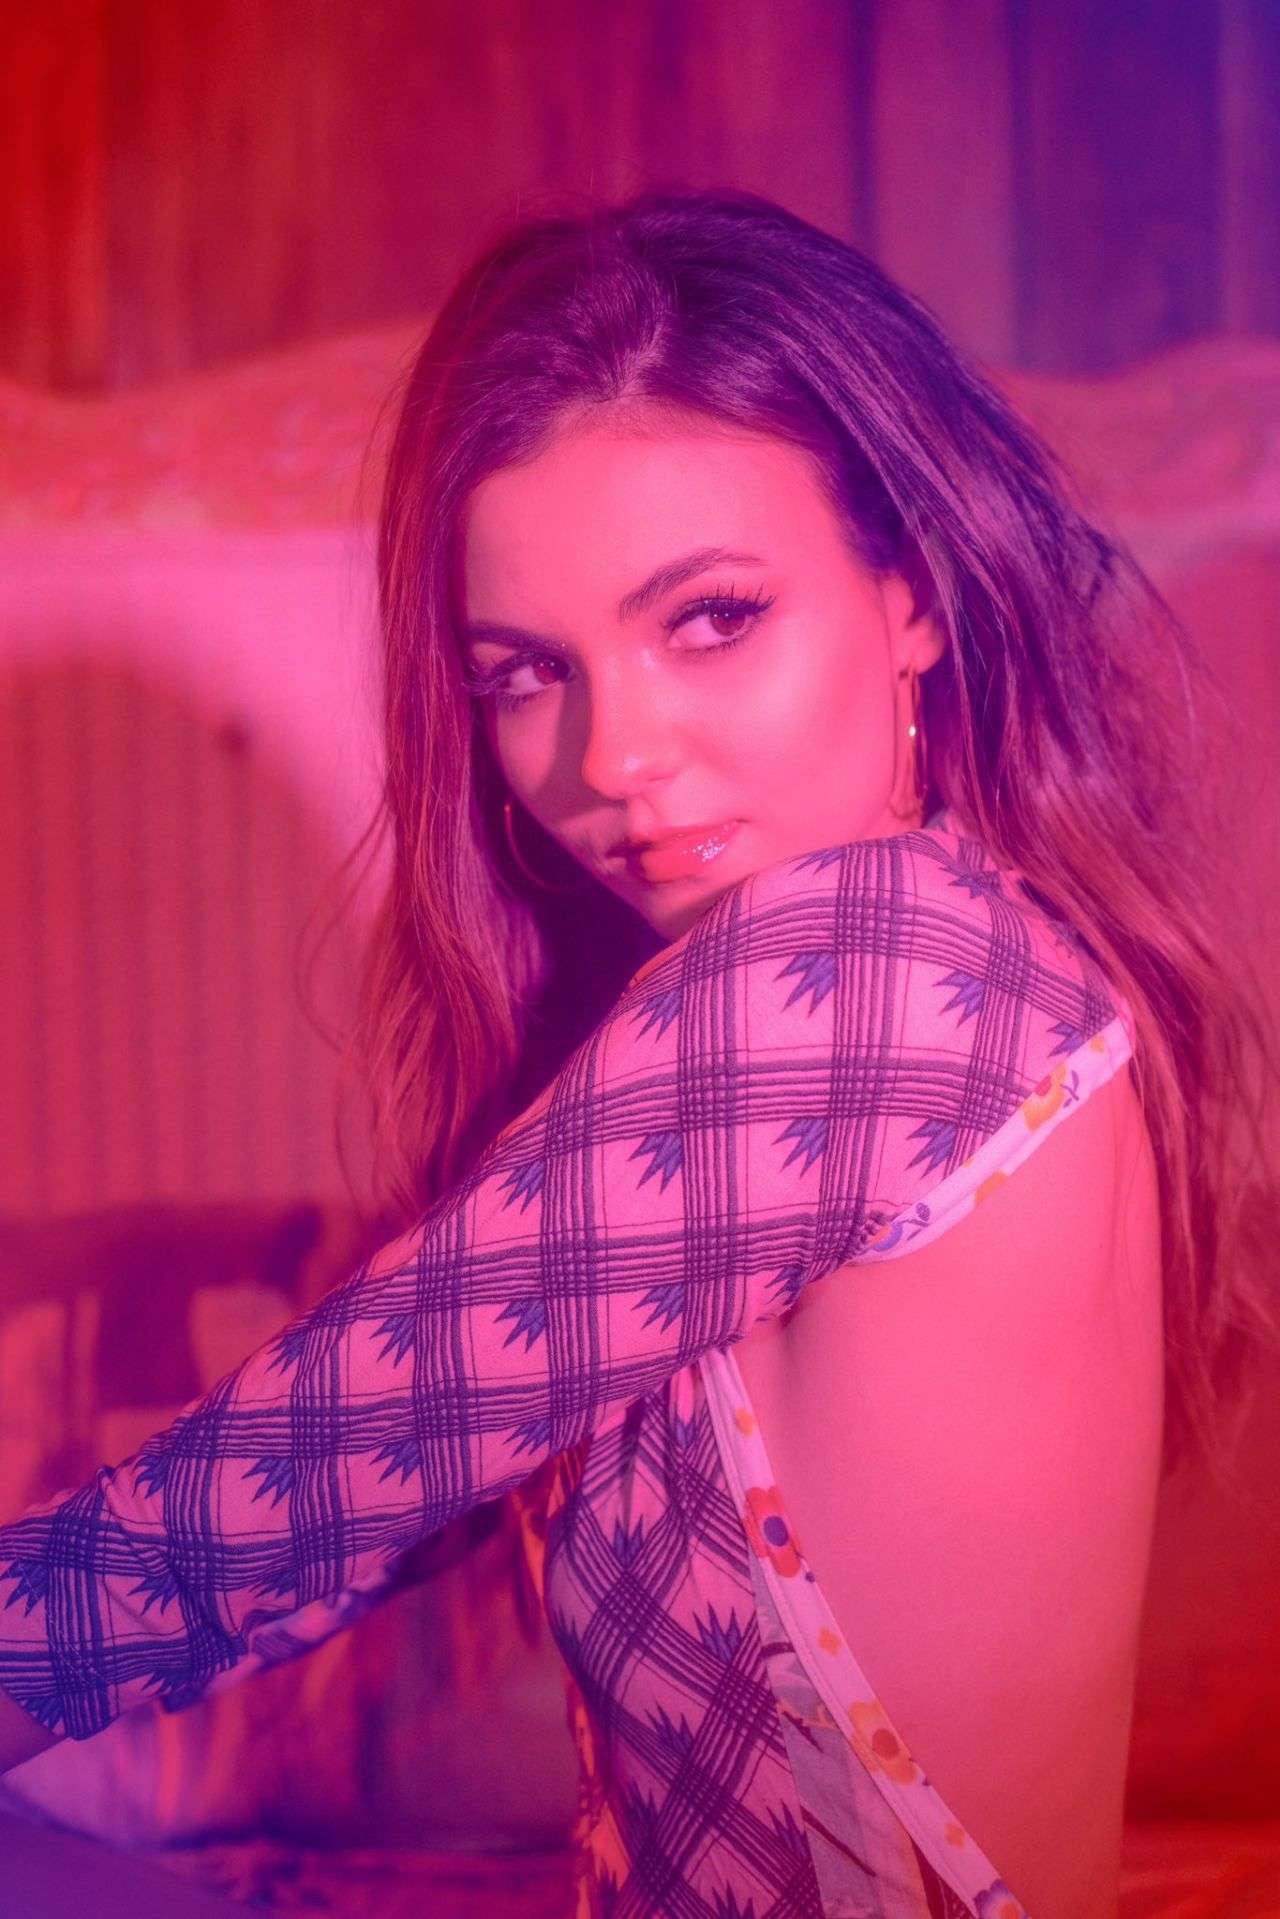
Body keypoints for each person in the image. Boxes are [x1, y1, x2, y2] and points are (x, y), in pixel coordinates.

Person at [0, 188, 1273, 1919]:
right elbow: (366, 1499)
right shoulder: (1003, 957)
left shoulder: (869, 969)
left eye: (712, 619)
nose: (614, 757)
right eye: (528, 673)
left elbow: (270, 1507)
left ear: (911, 593)